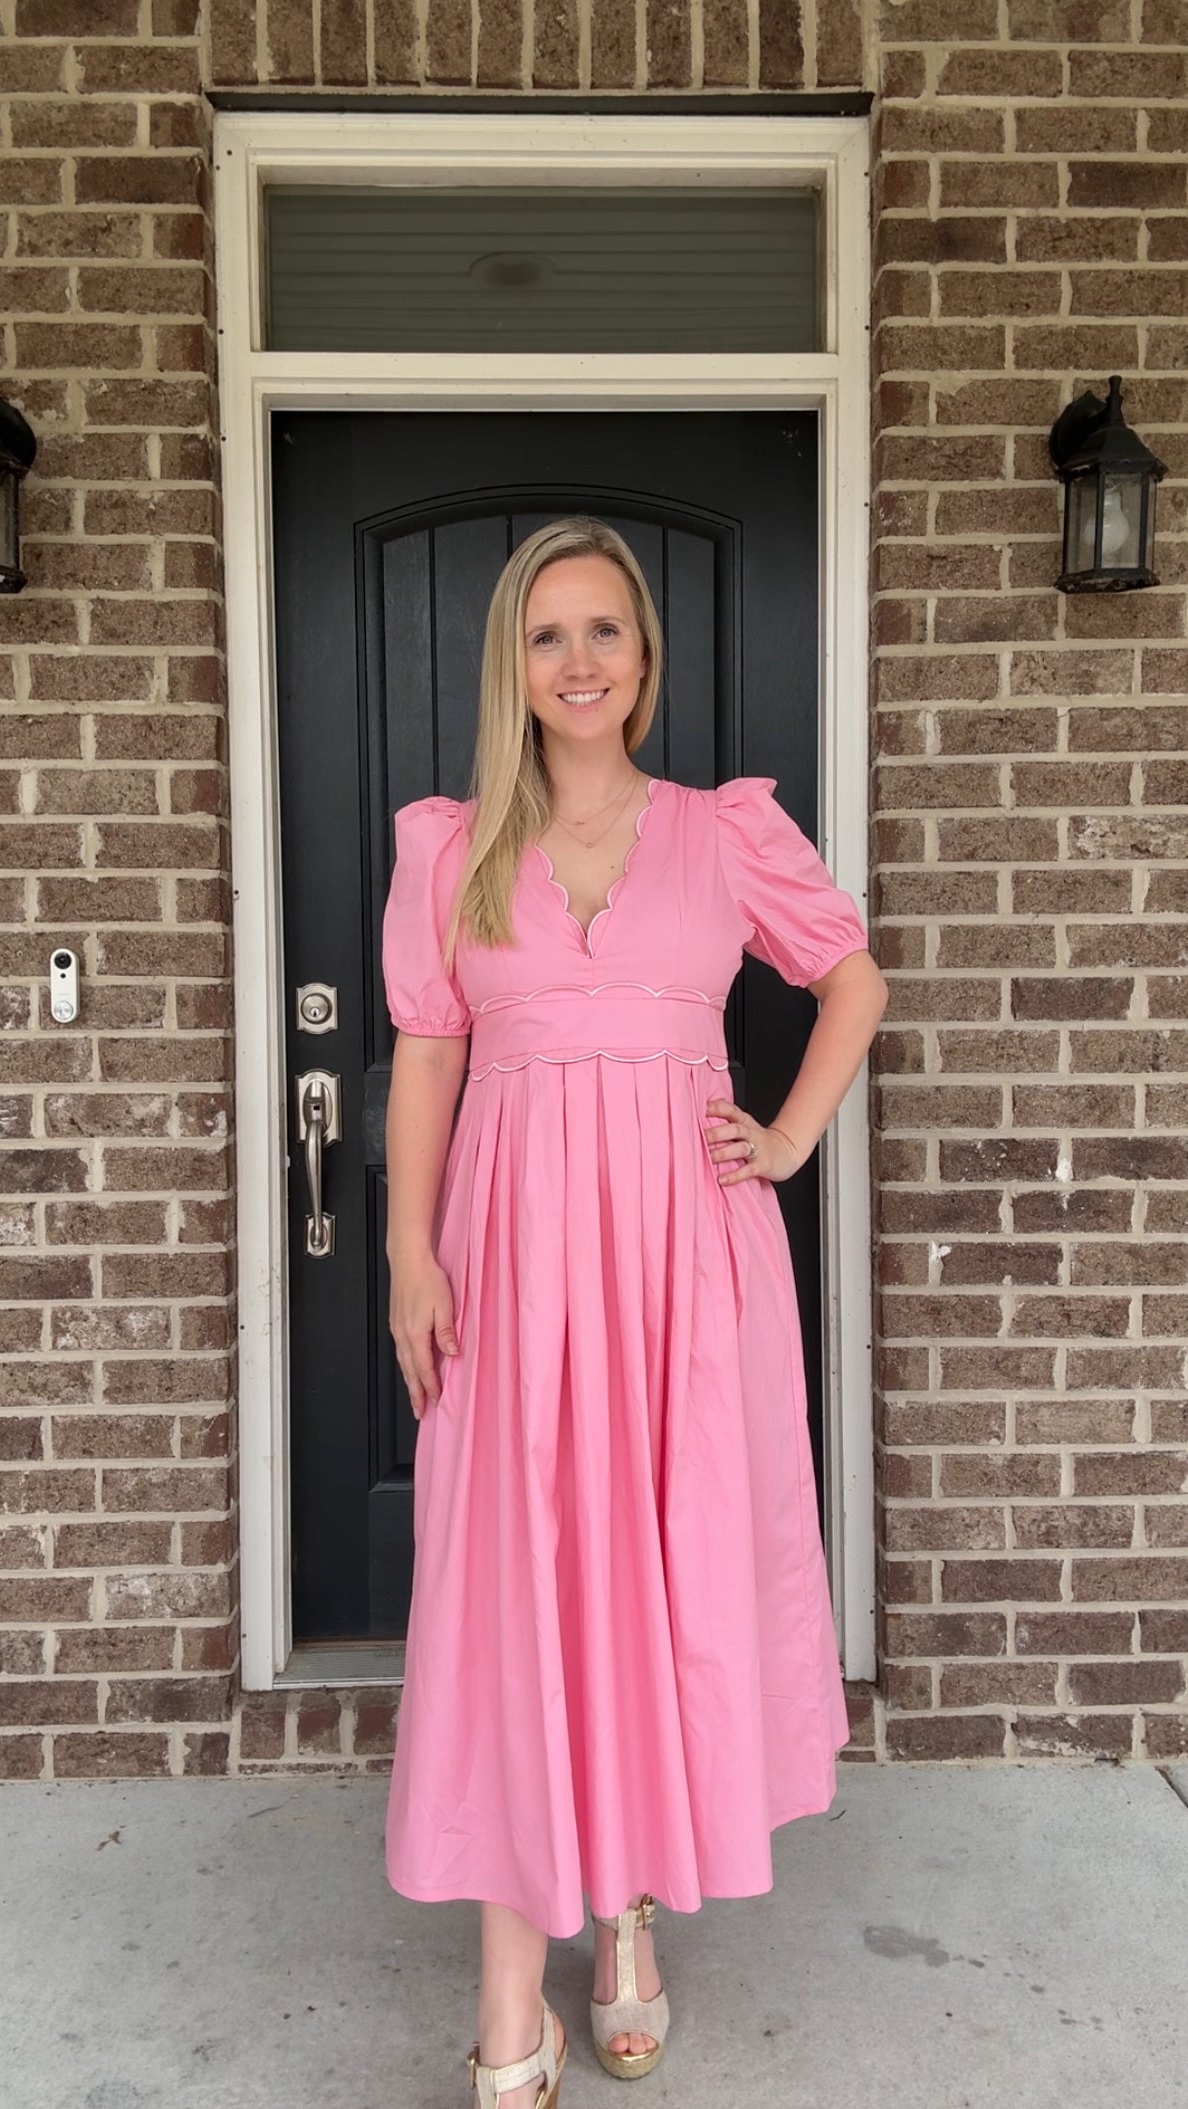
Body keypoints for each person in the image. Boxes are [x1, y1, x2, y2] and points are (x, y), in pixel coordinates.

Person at [381, 516, 889, 2108]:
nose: (579, 661)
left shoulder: (724, 831)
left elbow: (851, 977)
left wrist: (791, 1133)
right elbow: (429, 1052)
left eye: (605, 631)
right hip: (515, 1255)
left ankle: (633, 1917)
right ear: (512, 669)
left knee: (655, 1568)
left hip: (685, 1255)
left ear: (644, 658)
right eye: (548, 636)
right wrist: (407, 1250)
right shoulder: (450, 846)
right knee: (514, 1583)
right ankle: (505, 1988)